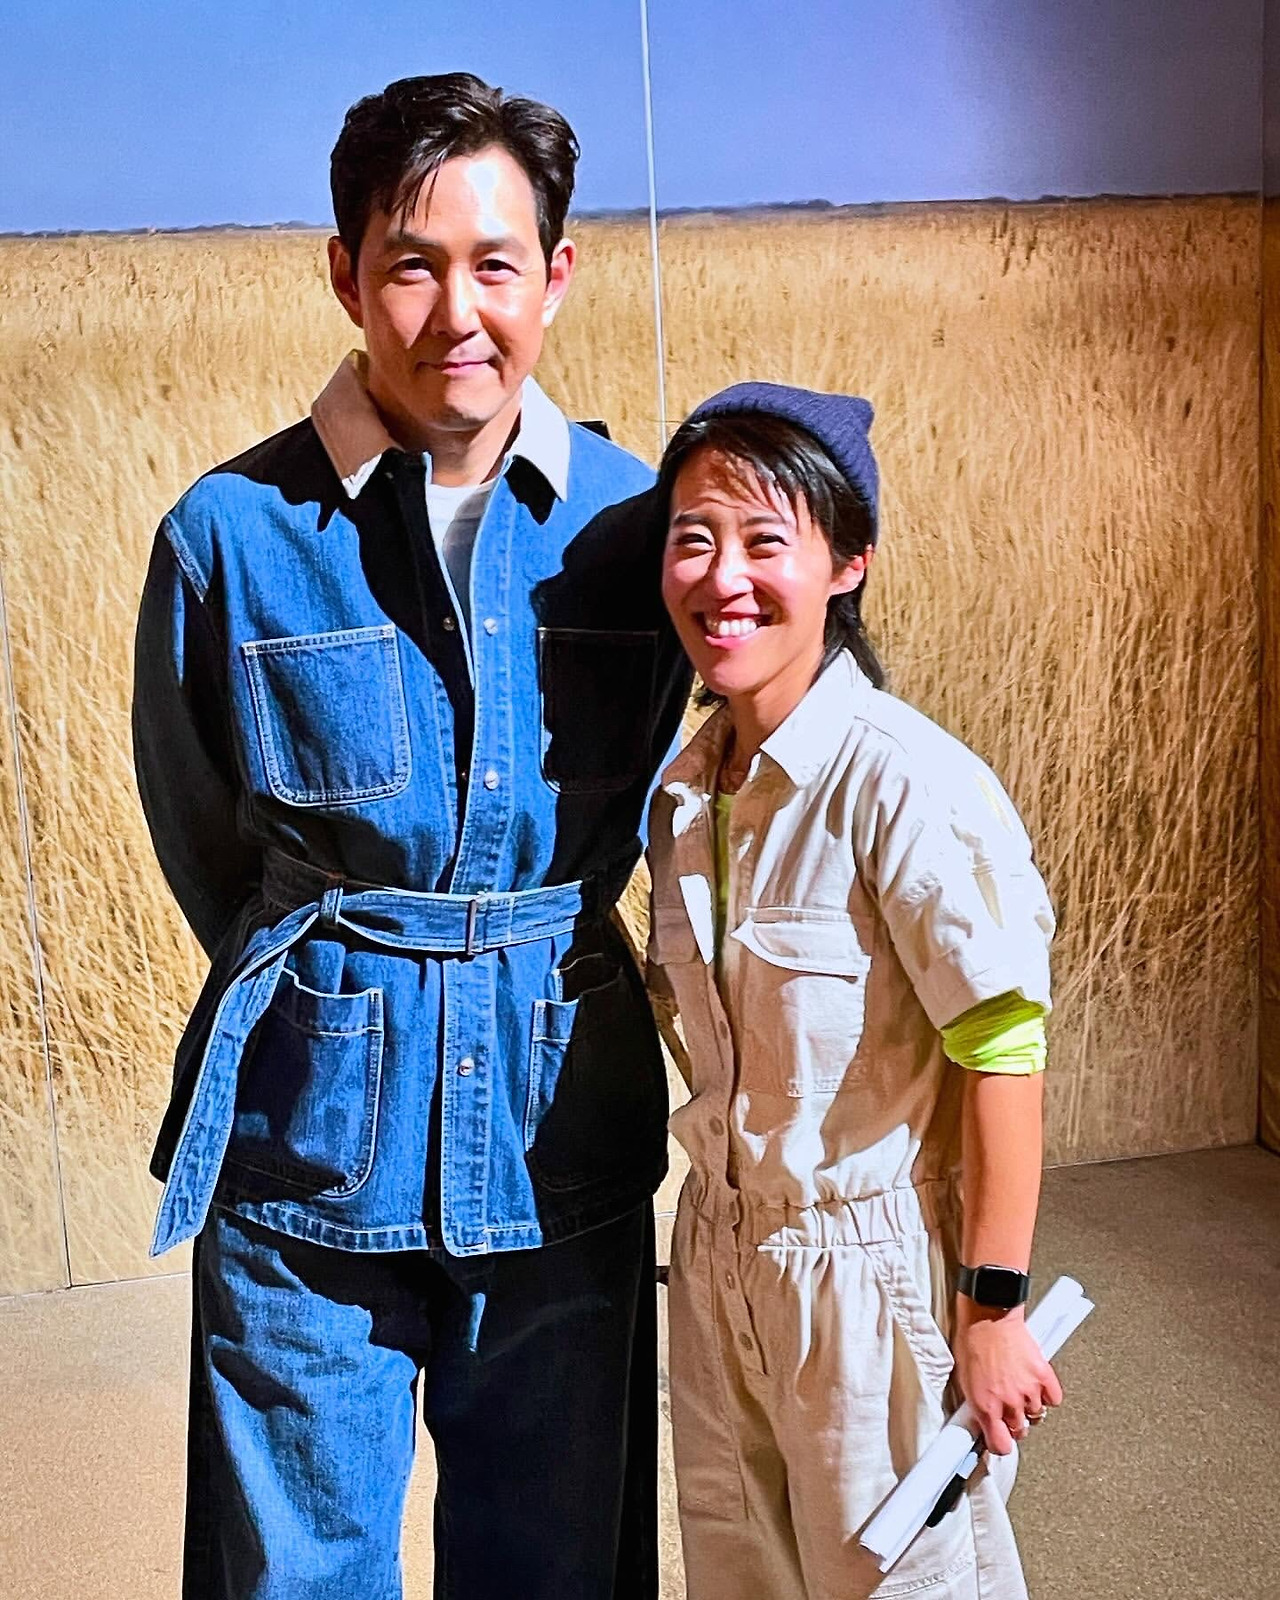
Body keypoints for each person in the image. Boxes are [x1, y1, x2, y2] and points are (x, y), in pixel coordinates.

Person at [132, 72, 689, 1600]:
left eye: (495, 264)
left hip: (557, 1136)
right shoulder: (230, 536)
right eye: (412, 265)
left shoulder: (636, 530)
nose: (459, 312)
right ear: (345, 274)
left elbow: (669, 793)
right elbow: (207, 837)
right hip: (305, 1158)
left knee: (554, 1570)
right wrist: (354, 986)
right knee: (291, 1577)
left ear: (556, 276)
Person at [645, 382, 1062, 1600]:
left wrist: (991, 1307)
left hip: (868, 1280)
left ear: (845, 563)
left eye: (764, 540)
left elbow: (1001, 1045)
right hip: (716, 1260)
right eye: (692, 538)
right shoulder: (685, 792)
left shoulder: (903, 781)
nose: (722, 577)